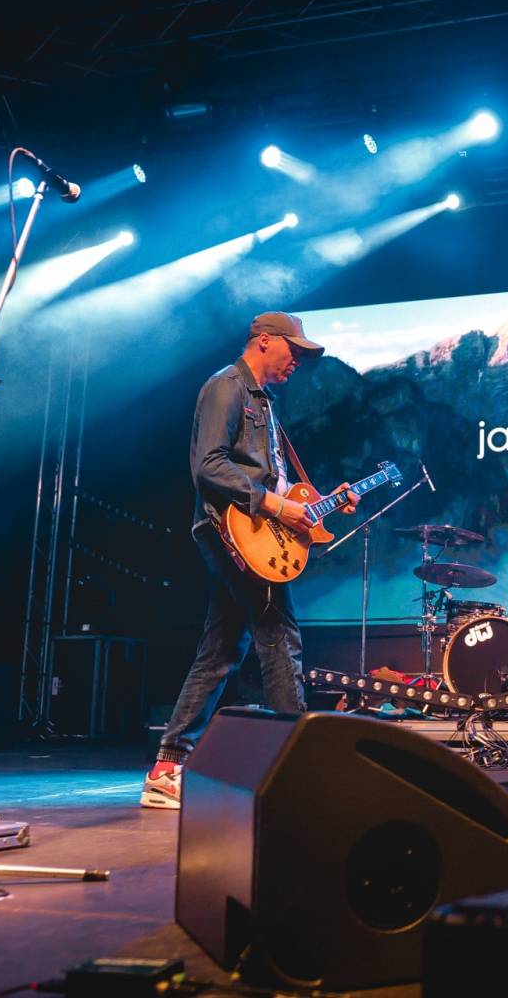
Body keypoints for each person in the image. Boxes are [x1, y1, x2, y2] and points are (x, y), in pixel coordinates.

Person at [141, 312, 358, 809]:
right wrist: (278, 506)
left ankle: (168, 766)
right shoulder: (226, 387)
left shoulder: (265, 404)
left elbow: (274, 482)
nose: (298, 361)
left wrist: (317, 502)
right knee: (279, 635)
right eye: (294, 351)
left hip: (251, 533)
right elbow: (209, 465)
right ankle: (297, 764)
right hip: (227, 529)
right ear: (264, 341)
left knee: (222, 648)